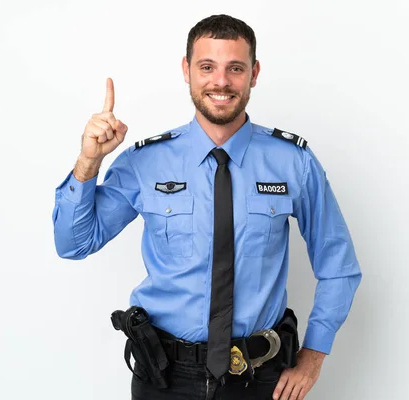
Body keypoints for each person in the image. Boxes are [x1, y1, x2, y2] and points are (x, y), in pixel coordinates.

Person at [53, 14, 361, 400]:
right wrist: (88, 164)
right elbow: (73, 244)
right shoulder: (145, 162)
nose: (221, 81)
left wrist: (314, 356)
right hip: (163, 377)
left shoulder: (292, 161)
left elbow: (339, 267)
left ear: (254, 73)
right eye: (207, 67)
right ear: (187, 70)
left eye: (235, 68)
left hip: (260, 378)